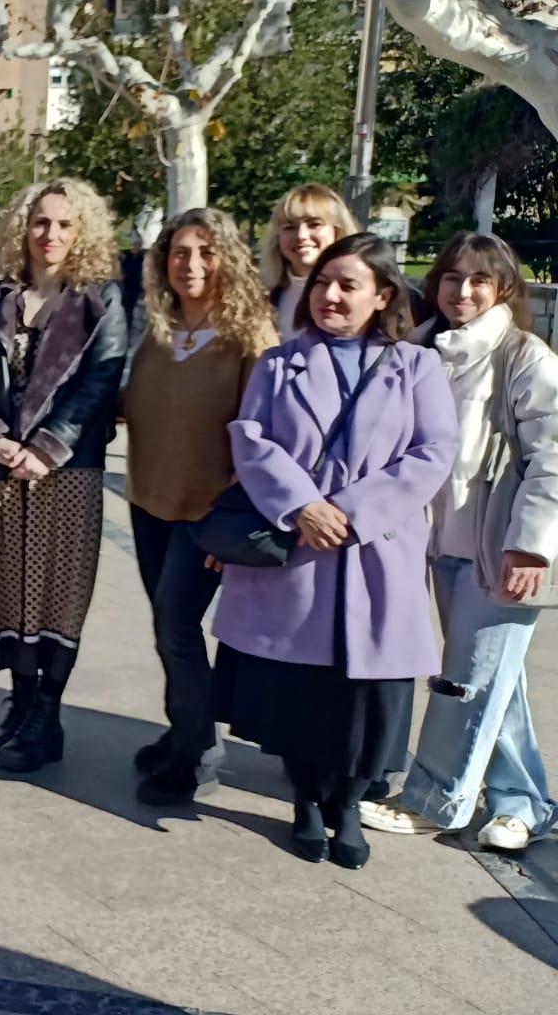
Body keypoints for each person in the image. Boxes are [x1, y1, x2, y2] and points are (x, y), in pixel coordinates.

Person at [211, 232, 455, 870]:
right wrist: (304, 507)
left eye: (349, 285)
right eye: (323, 283)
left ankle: (347, 802)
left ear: (382, 296)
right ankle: (306, 804)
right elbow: (251, 441)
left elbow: (432, 453)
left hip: (376, 550)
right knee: (300, 689)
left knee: (370, 694)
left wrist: (349, 512)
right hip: (302, 549)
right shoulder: (278, 362)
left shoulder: (417, 366)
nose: (332, 296)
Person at [362, 232, 558, 851]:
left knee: (466, 679)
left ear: (503, 288)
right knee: (493, 679)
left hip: (498, 547)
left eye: (479, 280)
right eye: (452, 277)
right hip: (434, 544)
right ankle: (523, 804)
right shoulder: (419, 349)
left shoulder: (523, 356)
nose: (463, 290)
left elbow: (552, 458)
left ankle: (434, 799)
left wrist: (530, 546)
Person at [0, 179, 127, 774]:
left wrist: (48, 447)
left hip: (66, 472)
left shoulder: (101, 300)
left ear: (83, 233)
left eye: (65, 224)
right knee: (8, 588)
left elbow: (100, 382)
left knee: (55, 594)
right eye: (41, 222)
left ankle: (45, 715)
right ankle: (22, 703)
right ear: (24, 228)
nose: (51, 235)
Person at [121, 209, 276, 805]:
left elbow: (264, 436)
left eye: (206, 252)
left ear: (227, 259)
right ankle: (185, 729)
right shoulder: (157, 333)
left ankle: (194, 756)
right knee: (167, 631)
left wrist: (234, 519)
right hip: (149, 502)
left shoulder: (249, 338)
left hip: (207, 515)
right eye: (180, 252)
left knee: (177, 628)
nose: (191, 264)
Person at [259, 184, 358, 341]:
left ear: (337, 231)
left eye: (314, 224)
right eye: (289, 227)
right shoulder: (263, 296)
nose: (301, 235)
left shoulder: (360, 293)